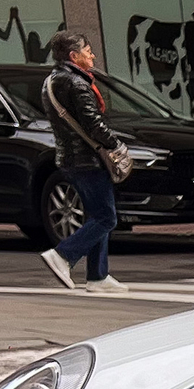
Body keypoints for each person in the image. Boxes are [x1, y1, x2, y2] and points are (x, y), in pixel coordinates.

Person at [38, 31, 129, 295]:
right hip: (86, 159)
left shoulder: (52, 81)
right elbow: (93, 124)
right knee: (106, 218)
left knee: (96, 214)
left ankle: (98, 276)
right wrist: (116, 145)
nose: (93, 55)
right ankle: (63, 256)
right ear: (73, 56)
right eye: (88, 51)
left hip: (70, 157)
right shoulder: (76, 83)